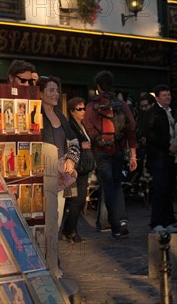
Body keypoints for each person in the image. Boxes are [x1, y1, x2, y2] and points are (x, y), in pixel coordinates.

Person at [83, 70, 137, 240]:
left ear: (98, 86)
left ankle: (115, 227)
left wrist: (98, 141)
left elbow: (88, 127)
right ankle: (122, 222)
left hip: (102, 151)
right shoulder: (121, 105)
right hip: (119, 149)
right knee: (117, 184)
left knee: (108, 187)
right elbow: (132, 127)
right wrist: (133, 153)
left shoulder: (92, 106)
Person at [37, 76, 80, 277]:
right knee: (43, 222)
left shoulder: (61, 117)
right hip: (41, 178)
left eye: (56, 90)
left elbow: (74, 141)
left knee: (57, 219)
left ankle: (53, 263)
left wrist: (71, 158)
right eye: (50, 90)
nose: (54, 94)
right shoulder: (35, 114)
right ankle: (44, 264)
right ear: (40, 92)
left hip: (61, 179)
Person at [144, 84, 177, 233]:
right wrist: (166, 146)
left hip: (171, 157)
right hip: (158, 156)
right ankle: (156, 222)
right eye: (164, 95)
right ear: (157, 97)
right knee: (160, 188)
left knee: (169, 188)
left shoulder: (172, 112)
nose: (167, 97)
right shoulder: (153, 112)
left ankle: (169, 220)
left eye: (168, 94)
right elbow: (150, 134)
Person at [61, 97, 94, 243]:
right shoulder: (70, 126)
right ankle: (70, 230)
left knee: (78, 199)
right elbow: (69, 143)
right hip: (76, 167)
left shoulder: (83, 125)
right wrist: (83, 144)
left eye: (84, 108)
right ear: (71, 111)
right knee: (76, 199)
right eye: (79, 109)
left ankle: (69, 229)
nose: (83, 111)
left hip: (84, 167)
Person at [0, 59, 37, 138]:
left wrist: (35, 89)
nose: (26, 84)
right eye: (23, 80)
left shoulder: (30, 97)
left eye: (29, 81)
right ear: (11, 78)